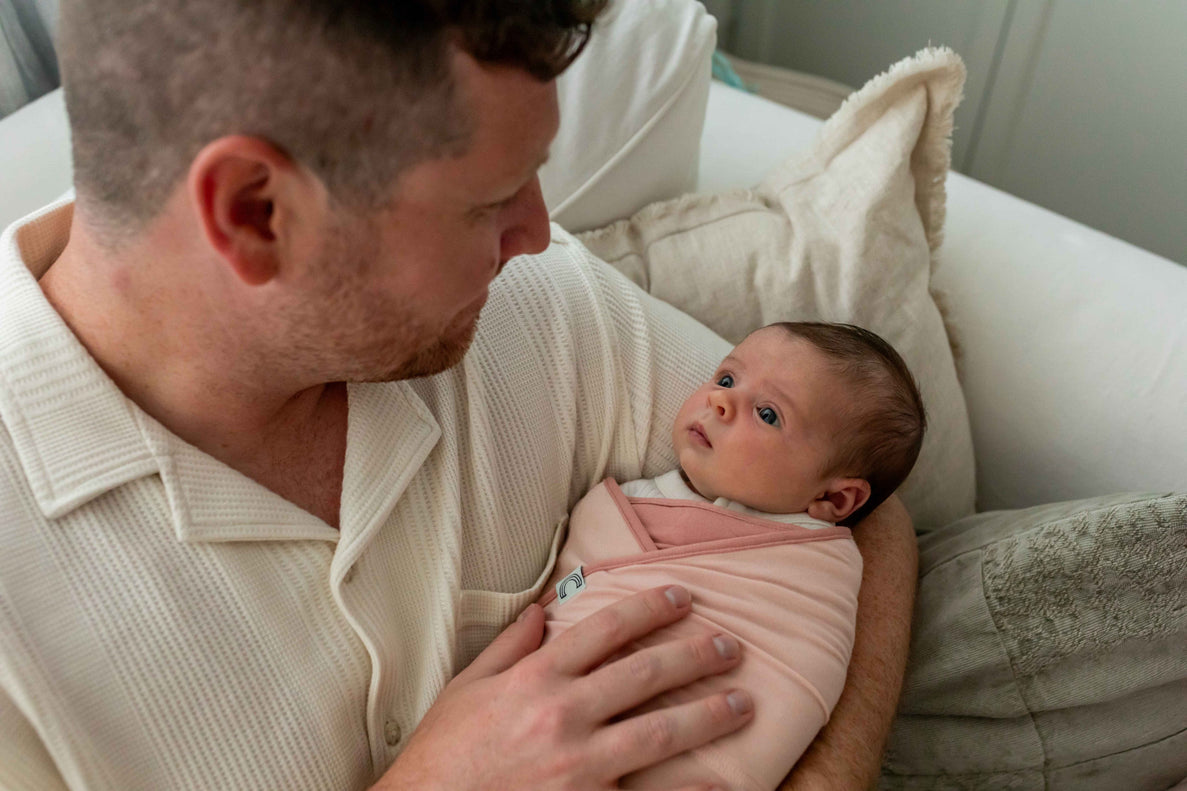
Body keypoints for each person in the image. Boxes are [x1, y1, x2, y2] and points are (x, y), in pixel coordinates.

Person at [0, 2, 918, 790]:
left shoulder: (541, 309)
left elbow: (862, 511)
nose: (536, 230)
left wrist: (824, 772)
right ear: (253, 212)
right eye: (487, 202)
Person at [537, 322, 926, 790]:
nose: (721, 401)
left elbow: (793, 672)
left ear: (837, 501)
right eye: (725, 380)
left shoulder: (813, 571)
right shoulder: (641, 495)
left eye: (767, 414)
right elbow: (575, 579)